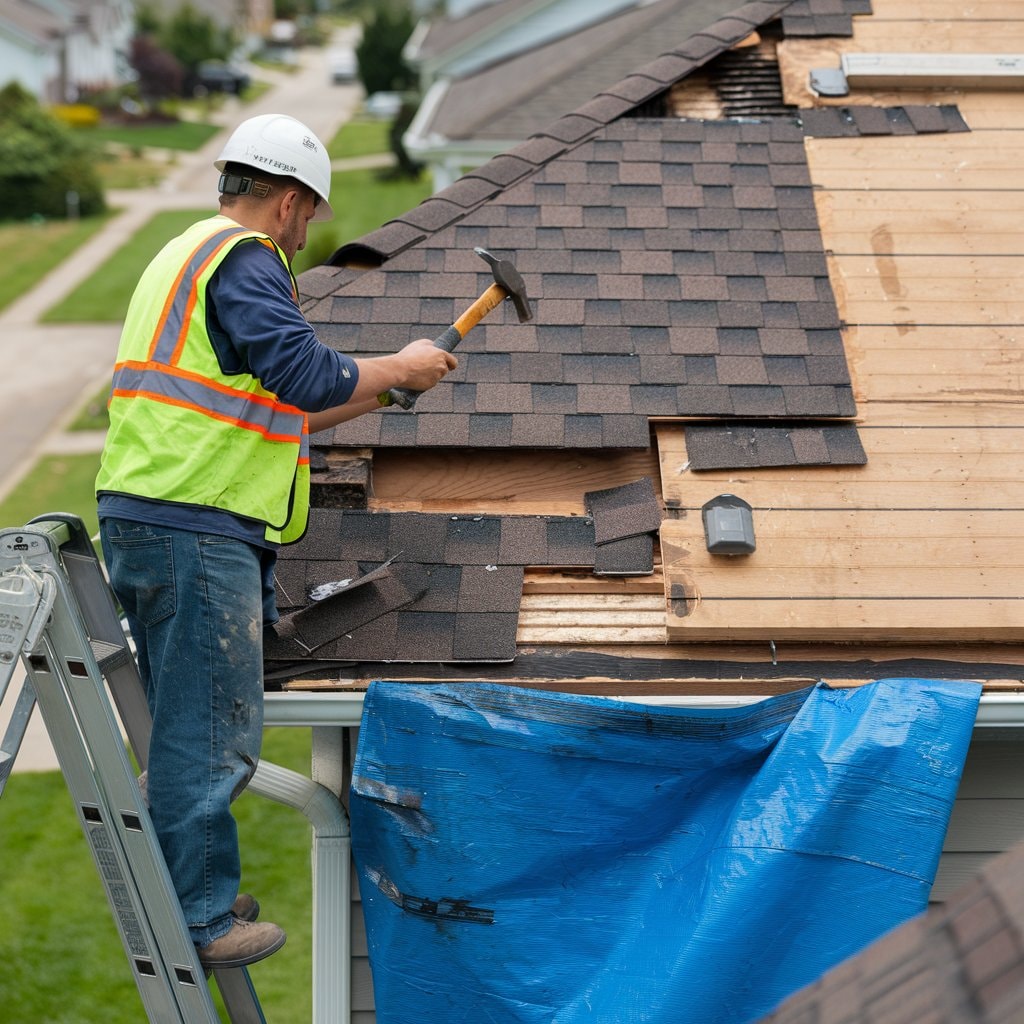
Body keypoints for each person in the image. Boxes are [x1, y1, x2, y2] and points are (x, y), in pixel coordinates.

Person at [95, 113, 456, 969]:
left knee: (188, 717)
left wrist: (380, 395)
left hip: (155, 515)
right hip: (197, 522)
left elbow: (284, 400)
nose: (307, 233)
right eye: (311, 215)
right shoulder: (245, 259)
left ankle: (180, 883)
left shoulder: (182, 255)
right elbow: (306, 372)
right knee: (210, 727)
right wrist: (399, 367)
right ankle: (201, 917)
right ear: (288, 200)